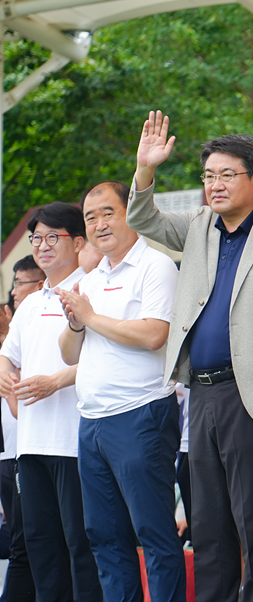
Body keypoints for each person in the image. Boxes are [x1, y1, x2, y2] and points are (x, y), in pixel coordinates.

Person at [126, 111, 253, 602]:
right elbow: (141, 219)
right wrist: (146, 169)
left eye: (227, 174)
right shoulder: (199, 226)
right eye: (209, 175)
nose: (215, 185)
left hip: (250, 397)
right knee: (207, 524)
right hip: (200, 395)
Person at [56, 181, 184, 602]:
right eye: (90, 217)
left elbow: (154, 335)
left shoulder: (156, 265)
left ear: (131, 211)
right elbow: (69, 352)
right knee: (104, 536)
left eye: (107, 212)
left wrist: (89, 317)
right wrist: (77, 322)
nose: (98, 223)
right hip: (92, 421)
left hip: (140, 414)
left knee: (153, 532)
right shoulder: (93, 279)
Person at [0, 203, 102, 602]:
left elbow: (103, 359)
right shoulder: (28, 304)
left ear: (78, 242)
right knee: (41, 547)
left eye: (52, 237)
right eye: (36, 238)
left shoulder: (90, 290)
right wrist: (7, 375)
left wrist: (55, 383)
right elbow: (8, 354)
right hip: (31, 444)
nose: (42, 246)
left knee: (80, 545)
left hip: (75, 442)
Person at [0, 256, 43, 602]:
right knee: (23, 544)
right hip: (15, 454)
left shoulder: (41, 330)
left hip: (34, 451)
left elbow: (18, 405)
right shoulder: (16, 336)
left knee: (35, 543)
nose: (13, 292)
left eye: (19, 284)